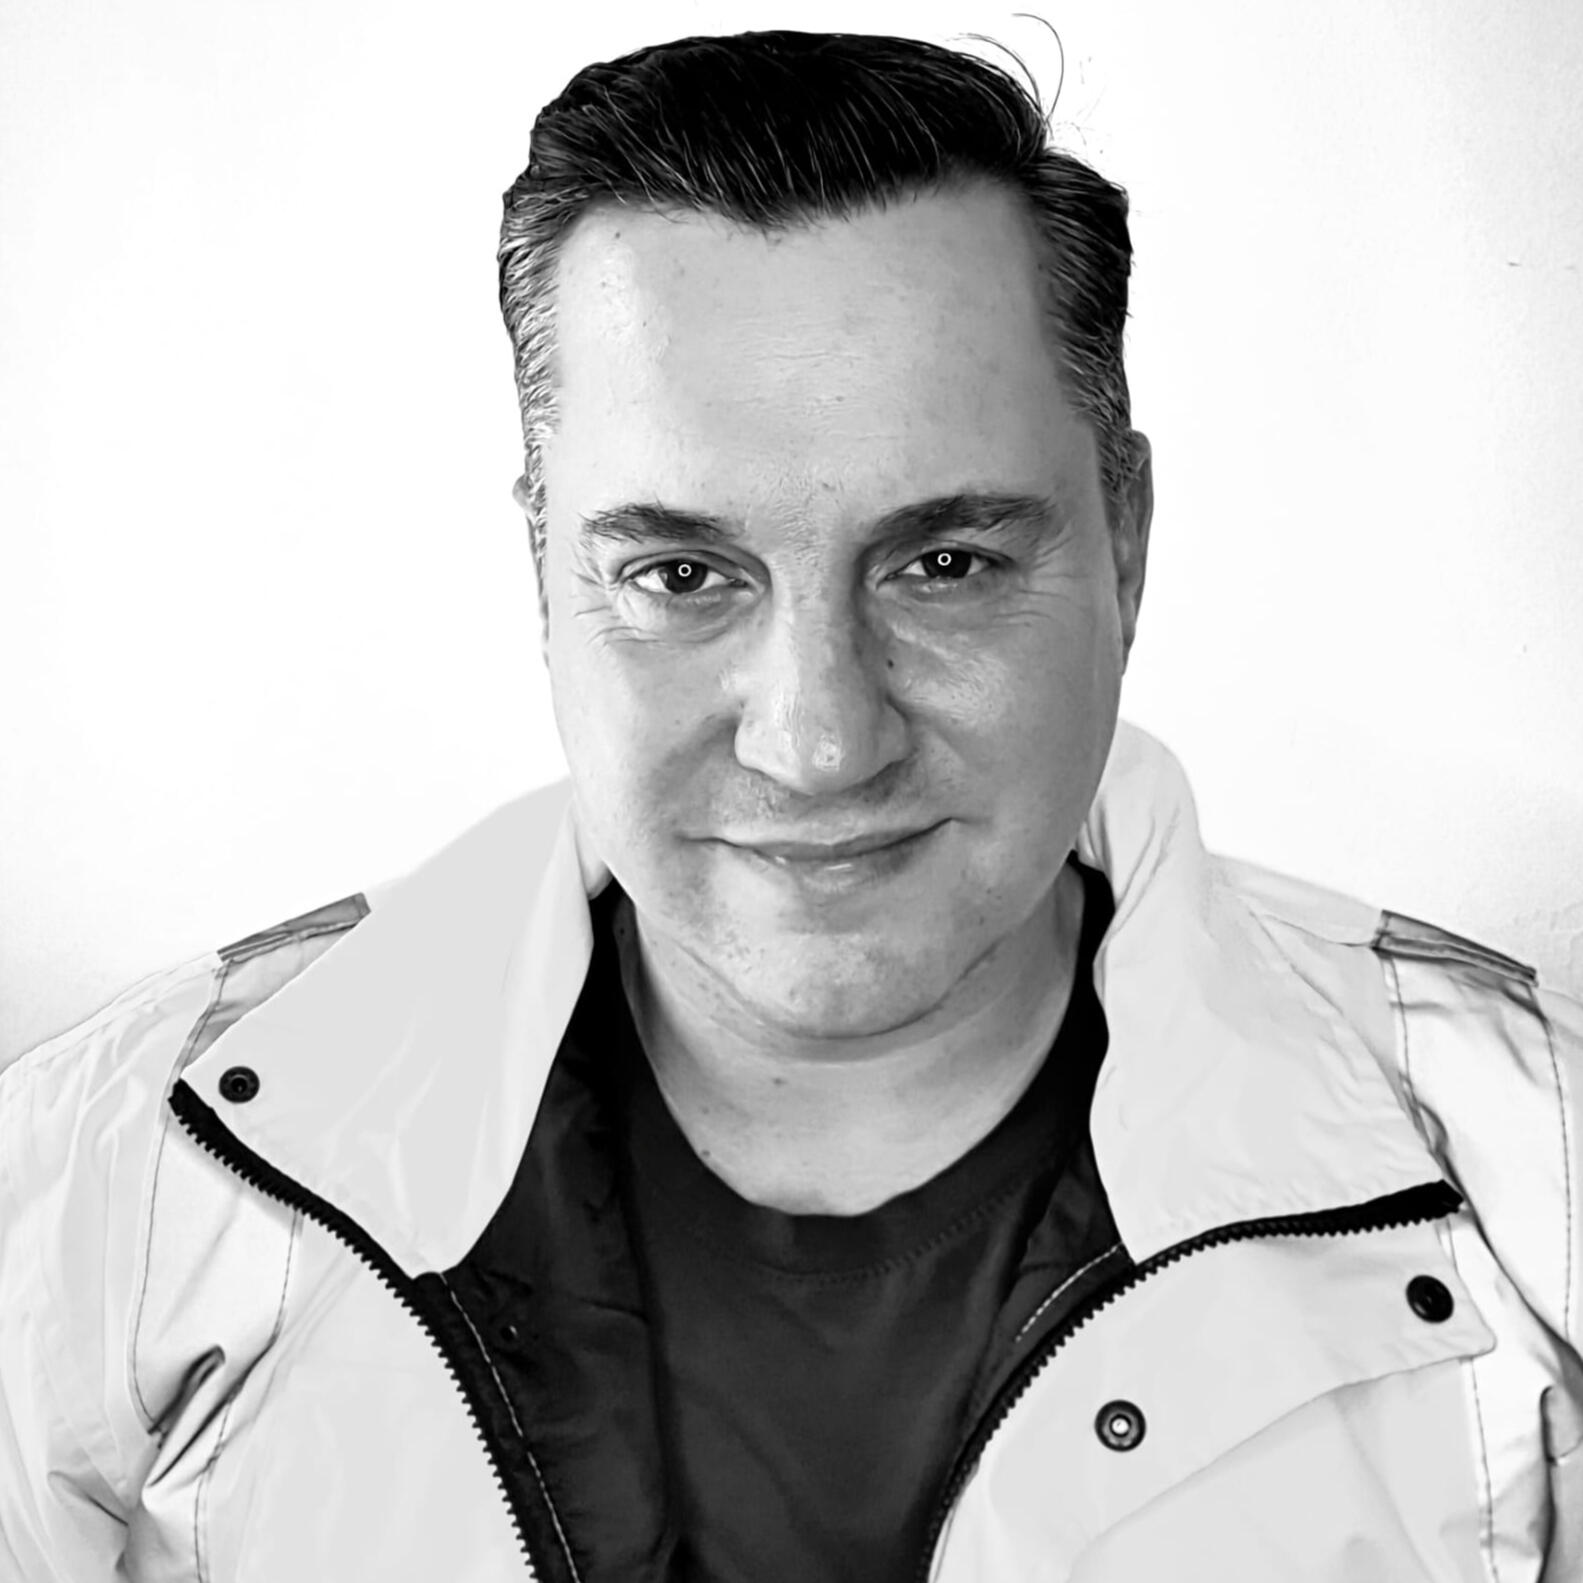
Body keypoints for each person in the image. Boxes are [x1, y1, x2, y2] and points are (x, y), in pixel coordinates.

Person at [2, 26, 1580, 1583]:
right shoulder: (106, 1190)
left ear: (1127, 545)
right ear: (544, 574)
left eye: (944, 564)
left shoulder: (1539, 1185)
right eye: (684, 576)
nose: (820, 742)